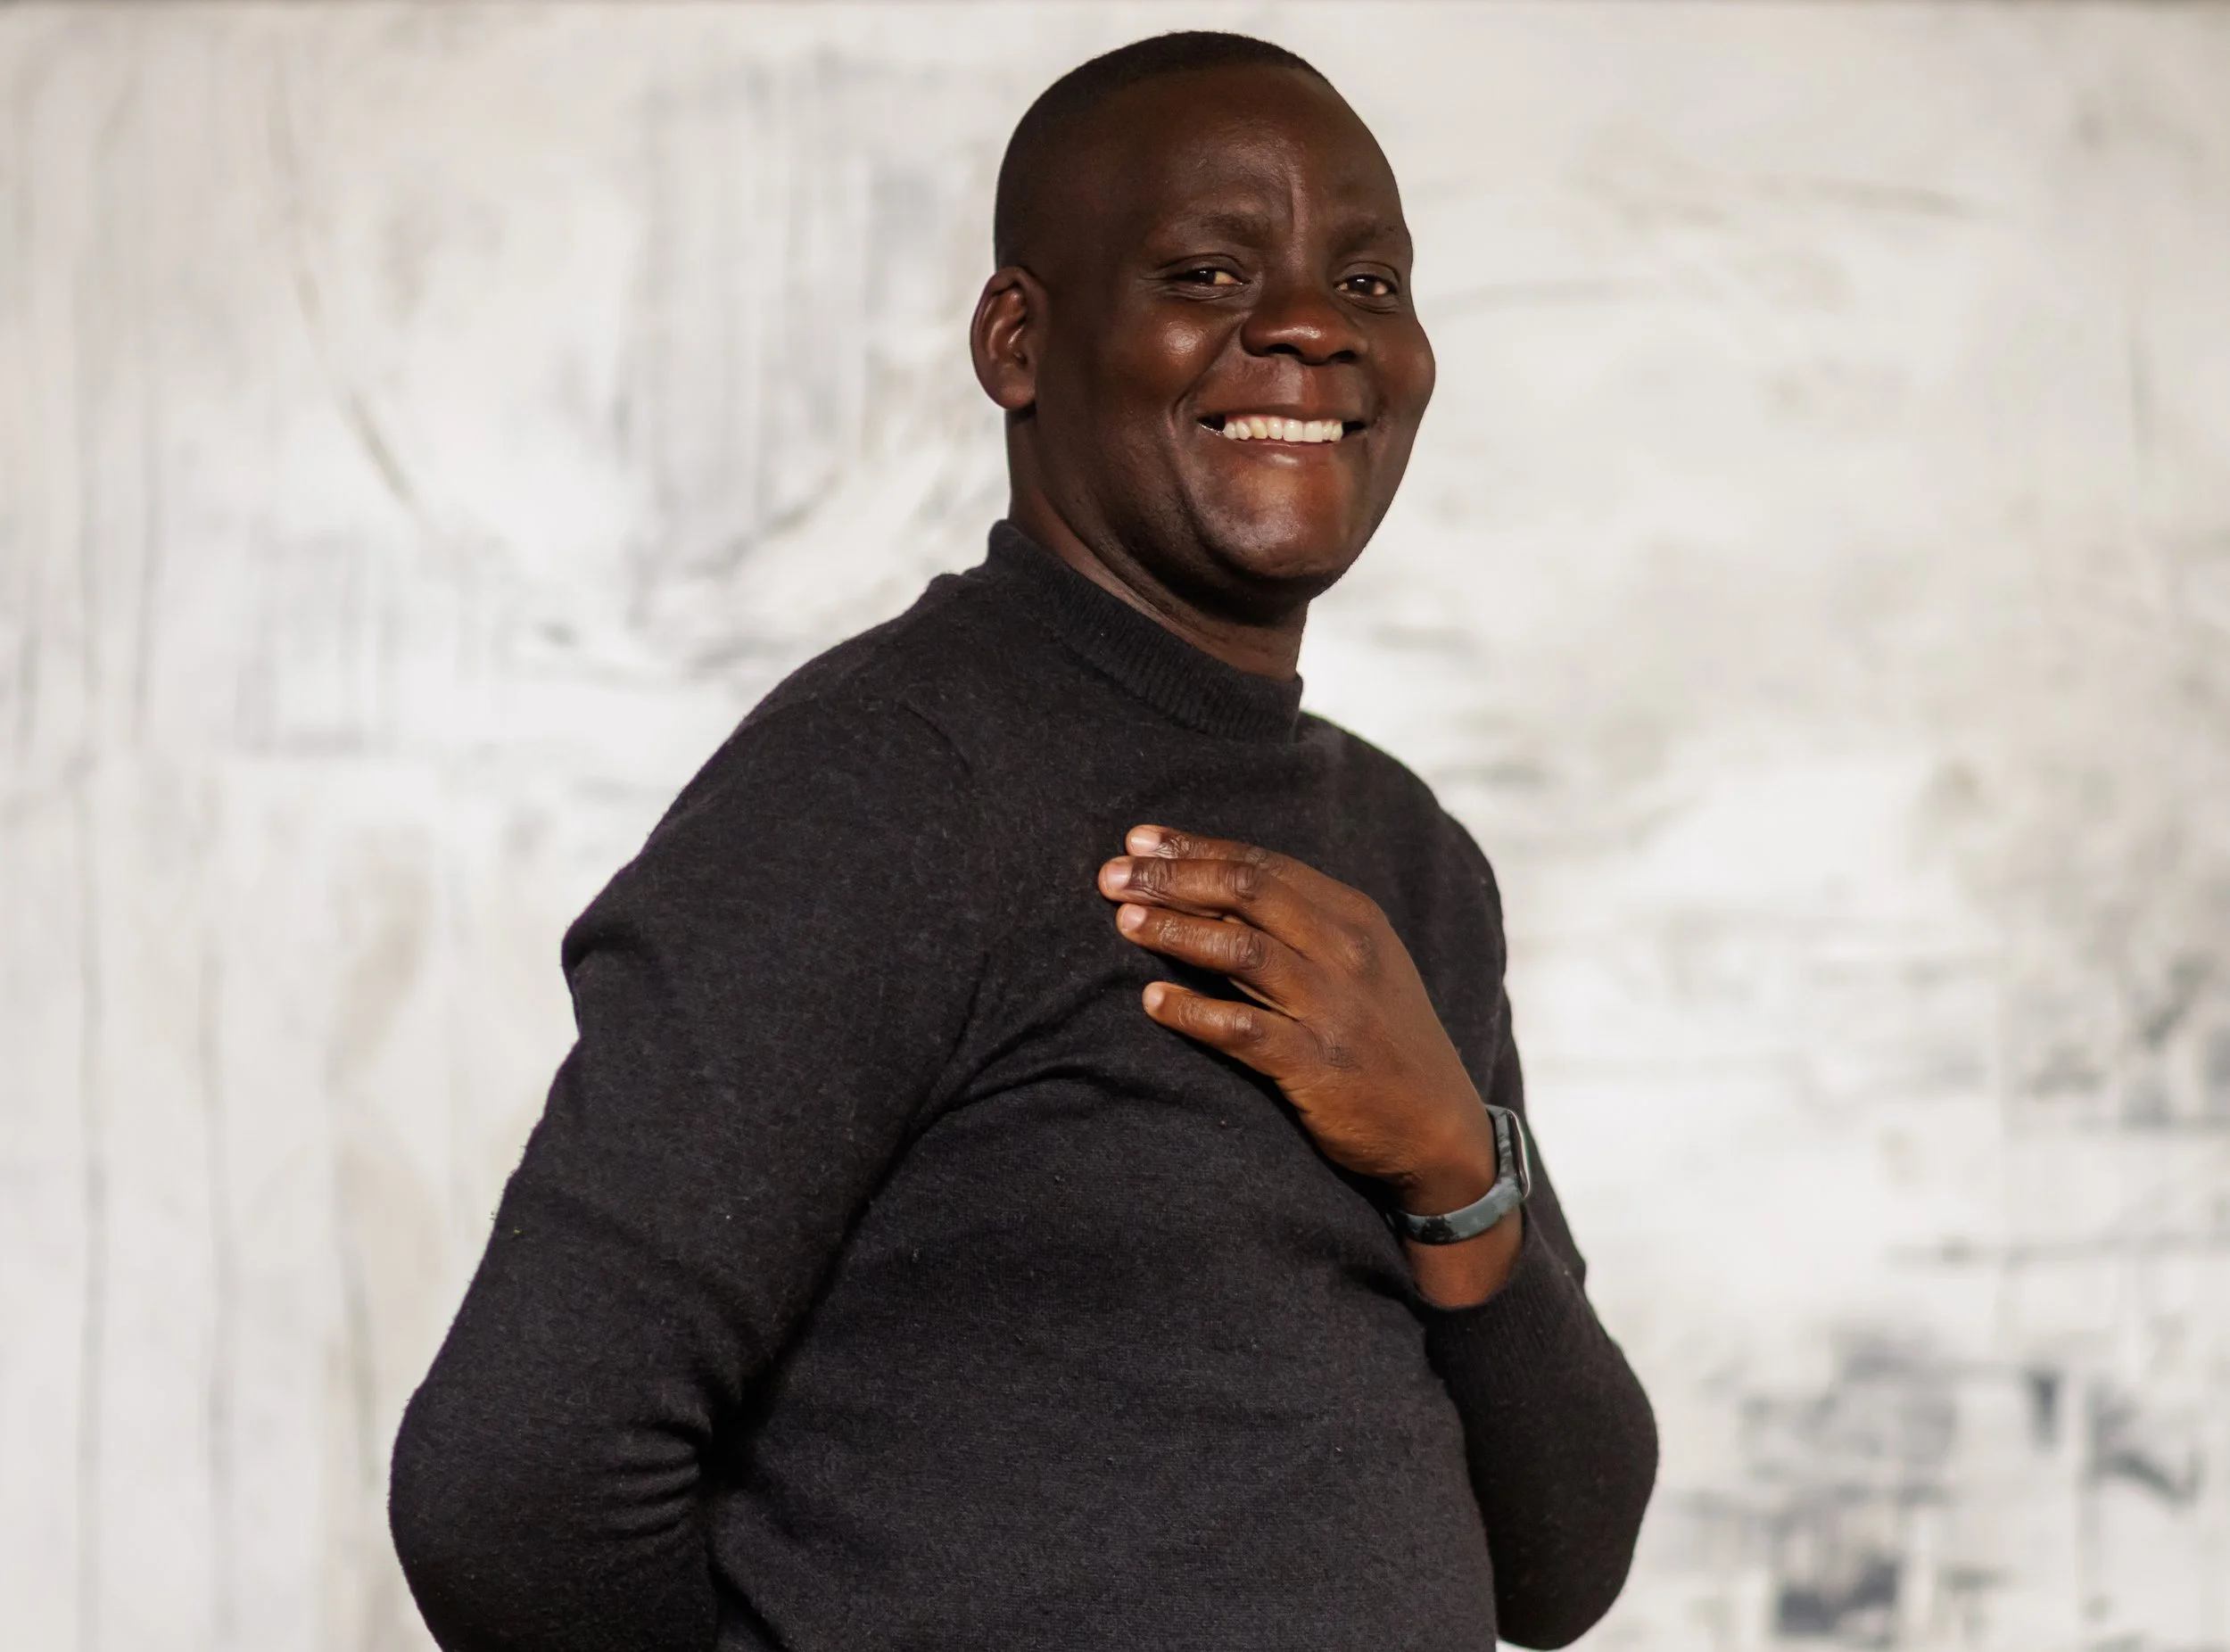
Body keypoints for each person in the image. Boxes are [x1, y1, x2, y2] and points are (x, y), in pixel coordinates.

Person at [390, 30, 1656, 1652]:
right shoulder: (875, 791)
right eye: (1208, 270)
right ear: (1019, 342)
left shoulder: (1408, 860)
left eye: (1372, 284)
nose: (1308, 330)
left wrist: (1454, 1166)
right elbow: (515, 1481)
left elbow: (1564, 1564)